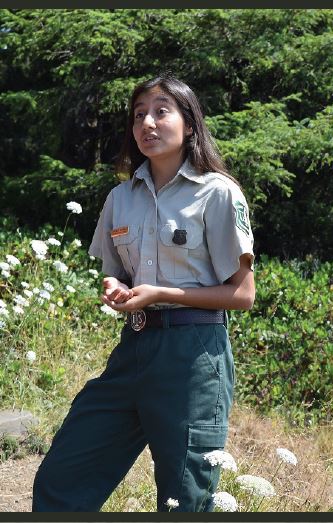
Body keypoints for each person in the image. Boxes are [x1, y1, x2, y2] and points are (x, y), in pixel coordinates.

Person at [33, 75, 255, 512]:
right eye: (139, 115)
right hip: (133, 348)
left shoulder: (218, 193)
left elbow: (242, 294)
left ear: (189, 125)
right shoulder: (121, 197)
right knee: (62, 478)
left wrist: (159, 293)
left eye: (160, 111)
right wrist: (116, 288)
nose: (147, 124)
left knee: (184, 500)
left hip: (194, 358)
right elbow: (116, 275)